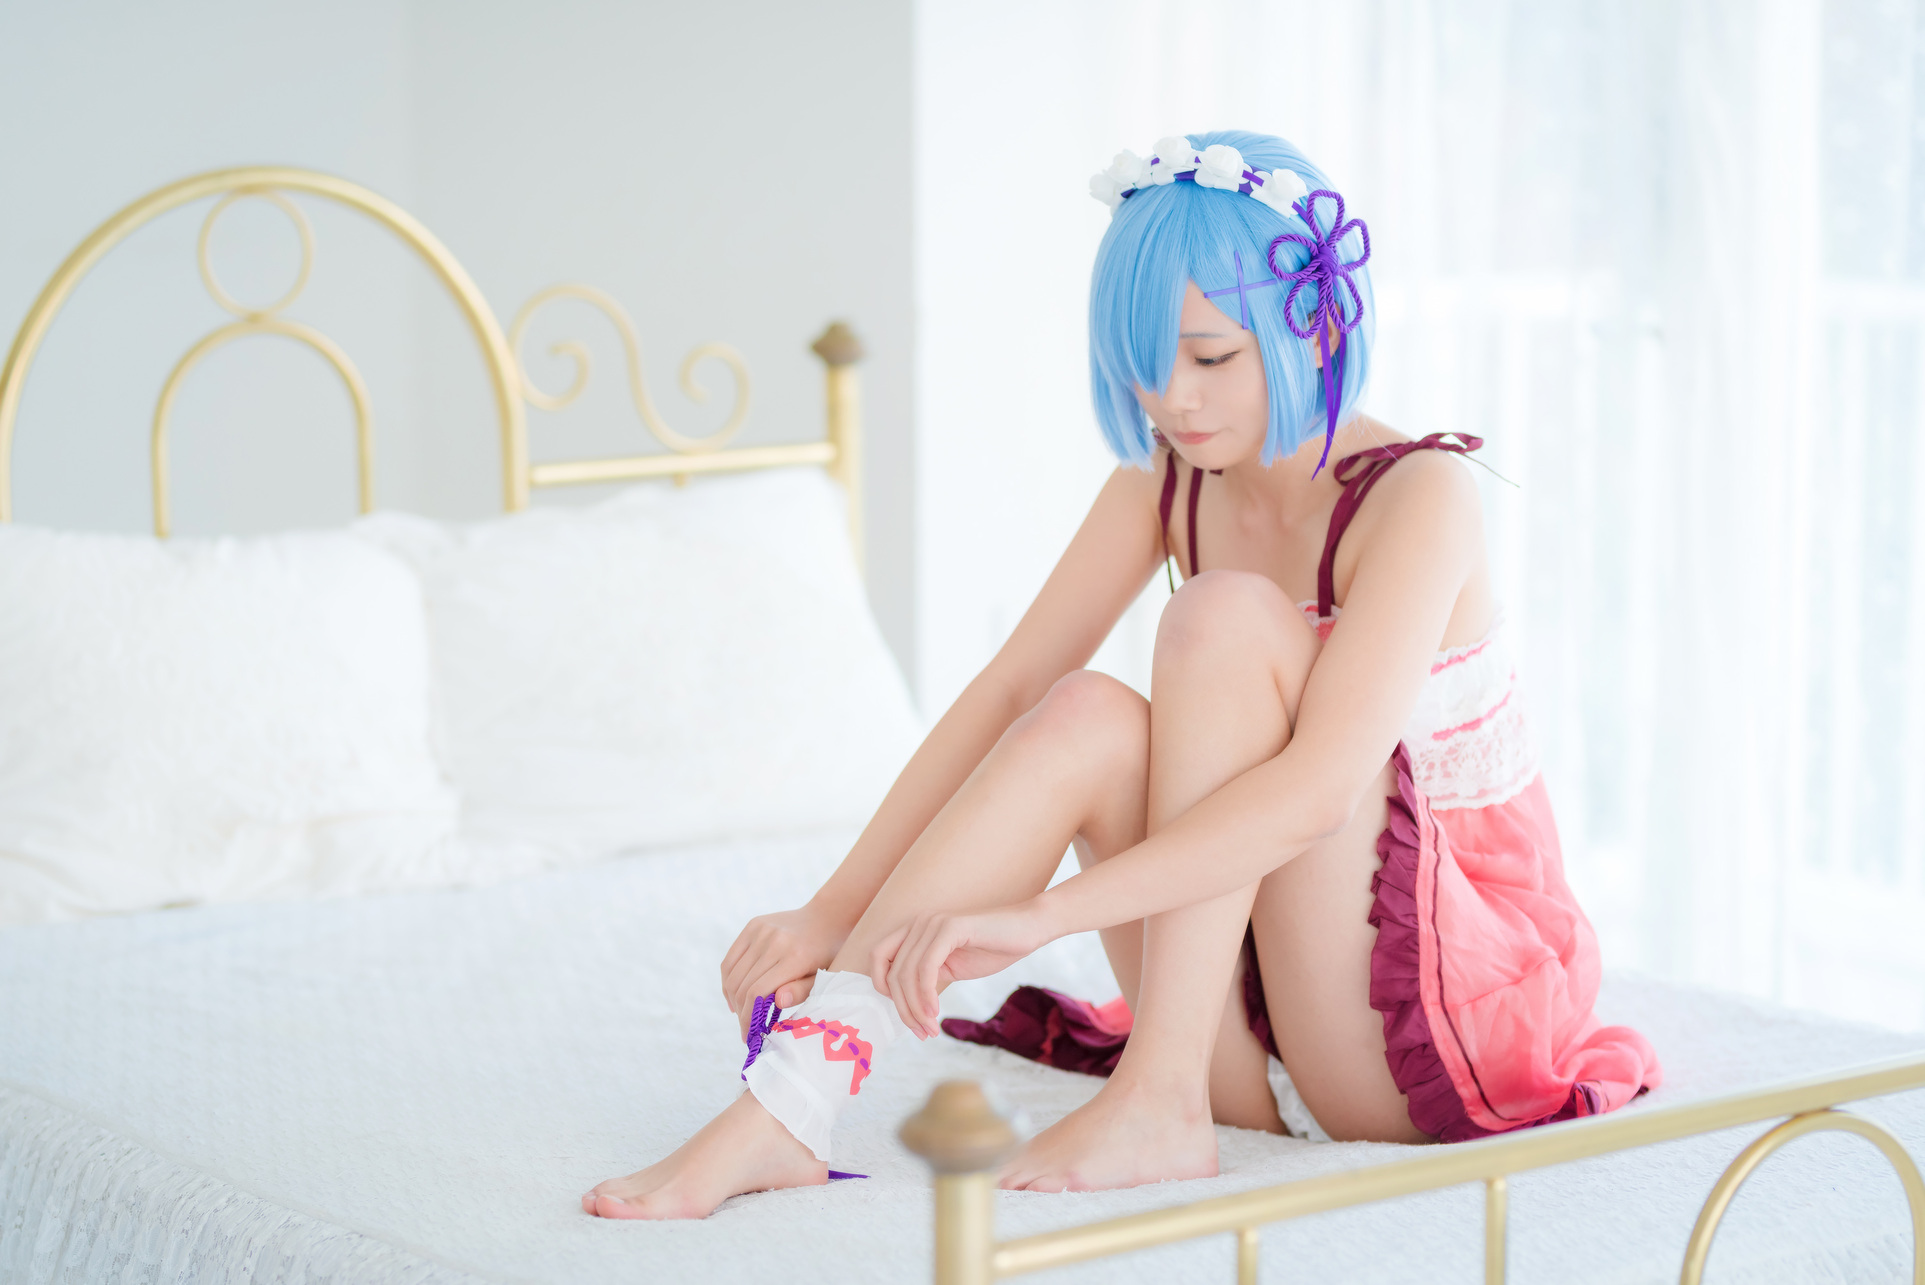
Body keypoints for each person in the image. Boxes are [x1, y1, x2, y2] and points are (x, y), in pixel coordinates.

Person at [582, 129, 1660, 1220]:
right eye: (1143, 362)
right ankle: (791, 1102)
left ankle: (1156, 1097)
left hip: (1408, 1026)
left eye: (1209, 357)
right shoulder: (1163, 484)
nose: (1172, 399)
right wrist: (829, 910)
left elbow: (1317, 792)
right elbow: (1008, 694)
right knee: (1083, 711)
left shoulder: (1419, 496)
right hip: (1233, 1030)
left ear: (1319, 322)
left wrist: (1042, 915)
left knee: (1220, 617)